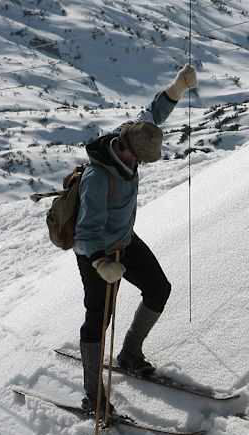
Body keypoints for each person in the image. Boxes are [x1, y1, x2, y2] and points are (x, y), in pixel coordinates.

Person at [73, 64, 198, 416]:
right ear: (126, 148)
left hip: (124, 240)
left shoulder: (132, 135)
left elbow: (153, 115)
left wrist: (177, 87)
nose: (139, 163)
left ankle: (130, 354)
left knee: (159, 288)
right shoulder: (98, 178)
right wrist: (101, 262)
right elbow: (84, 234)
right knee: (100, 315)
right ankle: (93, 395)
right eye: (139, 158)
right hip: (95, 251)